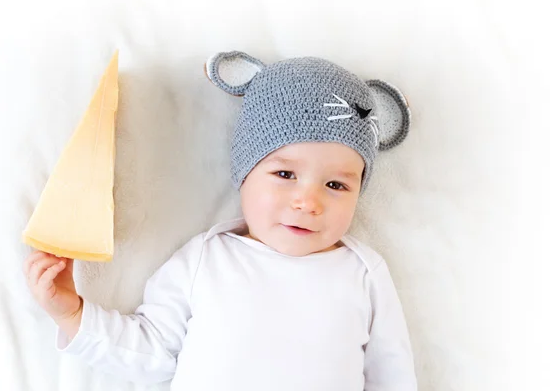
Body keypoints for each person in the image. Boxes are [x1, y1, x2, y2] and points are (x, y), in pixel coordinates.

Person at [23, 51, 417, 390]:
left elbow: (393, 376)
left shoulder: (363, 274)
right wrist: (73, 315)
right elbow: (151, 351)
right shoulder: (206, 260)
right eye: (285, 175)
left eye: (335, 184)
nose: (307, 201)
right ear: (244, 175)